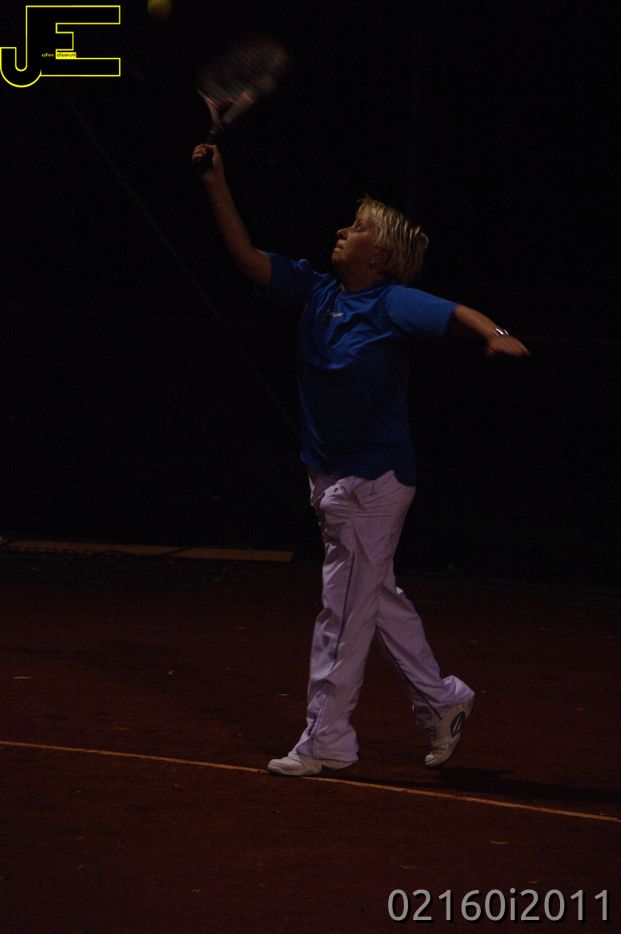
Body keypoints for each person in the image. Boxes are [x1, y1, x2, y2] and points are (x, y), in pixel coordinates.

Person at [192, 143, 530, 777]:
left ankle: (328, 740)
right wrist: (215, 182)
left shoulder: (391, 302)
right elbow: (246, 258)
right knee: (373, 598)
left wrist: (495, 334)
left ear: (380, 257)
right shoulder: (316, 290)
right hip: (327, 475)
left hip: (373, 481)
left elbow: (455, 312)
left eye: (358, 227)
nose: (343, 231)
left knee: (343, 611)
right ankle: (442, 699)